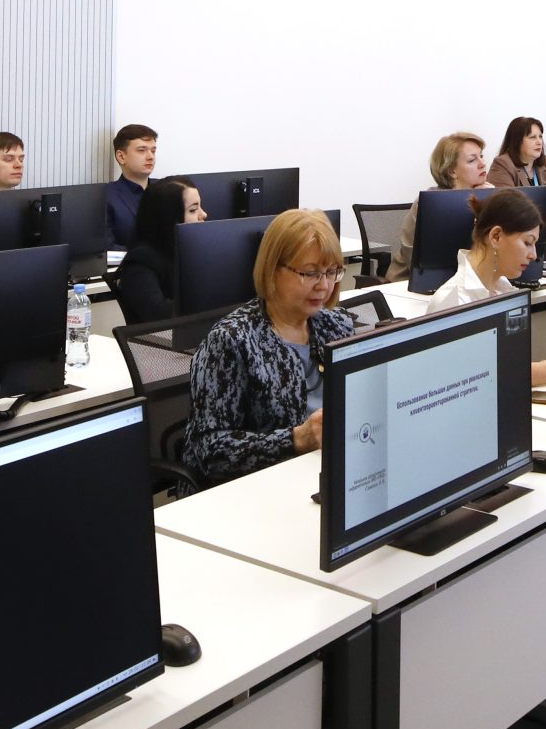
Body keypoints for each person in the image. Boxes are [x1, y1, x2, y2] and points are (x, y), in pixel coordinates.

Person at [181, 209, 359, 486]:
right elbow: (211, 452)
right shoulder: (231, 340)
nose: (323, 286)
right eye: (310, 273)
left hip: (326, 472)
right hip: (258, 488)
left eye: (331, 272)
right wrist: (297, 439)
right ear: (273, 270)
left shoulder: (337, 326)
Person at [425, 191, 546, 384]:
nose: (533, 255)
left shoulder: (504, 290)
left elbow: (511, 364)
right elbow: (472, 379)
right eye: (527, 243)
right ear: (496, 236)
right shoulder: (453, 300)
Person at [391, 131, 491, 276]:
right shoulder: (430, 204)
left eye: (481, 156)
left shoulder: (487, 196)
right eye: (472, 160)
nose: (482, 164)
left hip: (469, 278)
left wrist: (491, 201)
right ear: (452, 171)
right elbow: (417, 258)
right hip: (410, 281)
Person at [113, 178, 203, 323]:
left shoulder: (192, 252)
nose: (203, 214)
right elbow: (158, 314)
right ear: (169, 218)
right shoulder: (140, 262)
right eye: (193, 210)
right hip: (163, 336)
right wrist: (210, 300)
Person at [488, 116, 546, 211]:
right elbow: (508, 204)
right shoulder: (502, 164)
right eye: (532, 137)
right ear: (517, 141)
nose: (539, 142)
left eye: (540, 136)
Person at [105, 123, 158, 246]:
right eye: (141, 150)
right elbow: (107, 248)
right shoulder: (106, 196)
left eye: (153, 151)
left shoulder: (168, 188)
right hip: (130, 257)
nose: (150, 157)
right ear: (121, 156)